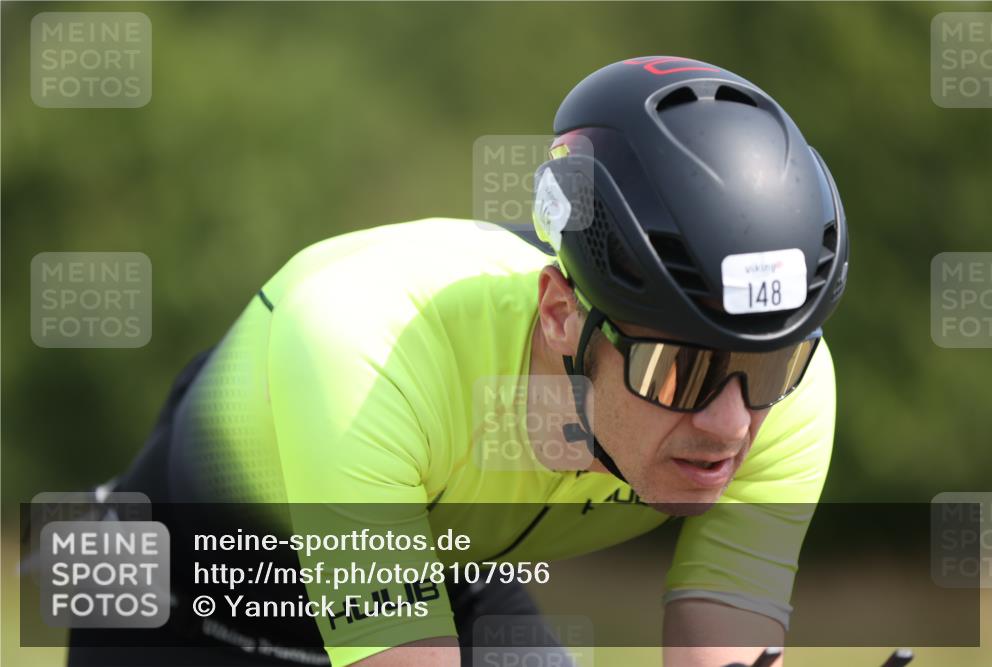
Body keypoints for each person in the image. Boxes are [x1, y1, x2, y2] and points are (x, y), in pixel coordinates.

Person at [67, 56, 849, 667]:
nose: (729, 424)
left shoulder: (792, 396)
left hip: (443, 576)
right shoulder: (368, 345)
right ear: (560, 316)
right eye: (679, 372)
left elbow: (724, 646)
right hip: (176, 597)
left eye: (772, 368)